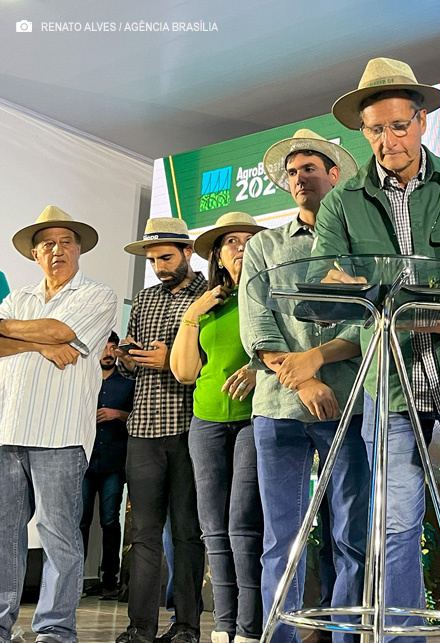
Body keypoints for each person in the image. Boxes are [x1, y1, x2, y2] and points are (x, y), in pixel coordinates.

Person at [314, 58, 440, 643]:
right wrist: (386, 301)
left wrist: (406, 303)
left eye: (399, 126)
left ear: (421, 122)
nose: (388, 139)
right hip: (388, 385)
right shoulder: (342, 200)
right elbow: (327, 284)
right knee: (396, 523)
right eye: (375, 130)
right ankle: (401, 637)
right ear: (363, 132)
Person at [239, 129, 370, 643]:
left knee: (350, 538)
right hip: (276, 407)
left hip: (348, 405)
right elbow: (257, 324)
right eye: (291, 172)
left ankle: (342, 637)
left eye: (308, 168)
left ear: (334, 174)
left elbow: (369, 320)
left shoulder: (362, 244)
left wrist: (317, 366)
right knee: (280, 539)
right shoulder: (264, 246)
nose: (298, 178)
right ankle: (280, 637)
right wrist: (302, 378)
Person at [0, 206, 117, 643]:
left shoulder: (98, 295)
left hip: (60, 434)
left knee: (58, 536)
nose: (57, 249)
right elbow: (46, 334)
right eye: (47, 243)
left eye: (66, 241)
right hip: (7, 429)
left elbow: (61, 328)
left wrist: (31, 334)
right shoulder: (19, 297)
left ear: (79, 249)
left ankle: (54, 629)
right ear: (34, 254)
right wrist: (45, 343)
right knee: (3, 535)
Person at [170, 211, 265, 643]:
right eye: (230, 241)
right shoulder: (209, 304)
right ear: (217, 255)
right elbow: (185, 373)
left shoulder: (267, 294)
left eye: (248, 239)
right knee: (213, 525)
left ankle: (250, 626)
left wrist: (258, 366)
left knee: (243, 521)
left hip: (253, 417)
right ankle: (224, 625)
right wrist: (192, 314)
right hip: (205, 420)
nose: (240, 246)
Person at [116, 217, 208, 643]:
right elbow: (125, 358)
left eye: (166, 257)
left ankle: (187, 625)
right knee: (143, 532)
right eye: (153, 260)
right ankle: (140, 627)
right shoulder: (145, 298)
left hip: (192, 425)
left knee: (188, 530)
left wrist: (174, 355)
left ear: (188, 253)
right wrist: (129, 359)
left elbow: (220, 354)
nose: (158, 266)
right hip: (143, 426)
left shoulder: (210, 293)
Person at [81, 330, 136, 601]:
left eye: (112, 347)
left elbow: (139, 418)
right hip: (84, 461)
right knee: (79, 521)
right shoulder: (84, 381)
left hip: (114, 462)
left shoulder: (127, 384)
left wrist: (118, 414)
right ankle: (73, 580)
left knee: (110, 521)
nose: (107, 353)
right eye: (103, 347)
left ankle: (109, 581)